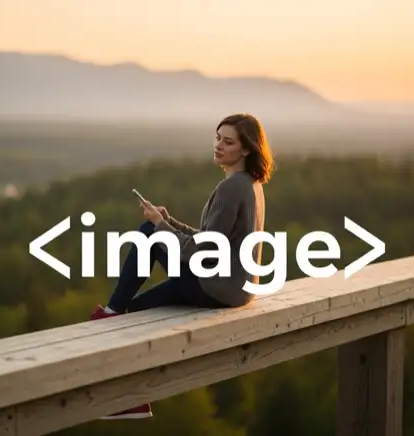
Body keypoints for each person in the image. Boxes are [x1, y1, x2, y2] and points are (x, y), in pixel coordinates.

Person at [89, 113, 275, 420]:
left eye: (228, 142)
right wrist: (169, 221)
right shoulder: (250, 184)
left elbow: (205, 251)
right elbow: (212, 239)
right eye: (217, 138)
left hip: (215, 285)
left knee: (148, 233)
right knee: (136, 312)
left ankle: (109, 312)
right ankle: (132, 397)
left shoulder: (232, 188)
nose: (218, 146)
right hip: (234, 286)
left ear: (246, 149)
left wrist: (159, 226)